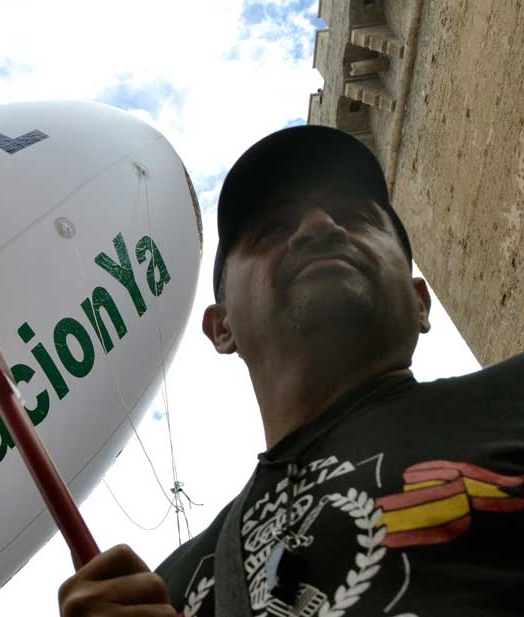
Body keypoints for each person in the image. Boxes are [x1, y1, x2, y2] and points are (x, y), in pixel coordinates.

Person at [58, 125, 524, 616]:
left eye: (357, 217)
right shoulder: (162, 591)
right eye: (272, 229)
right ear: (223, 328)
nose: (321, 226)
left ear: (419, 301)